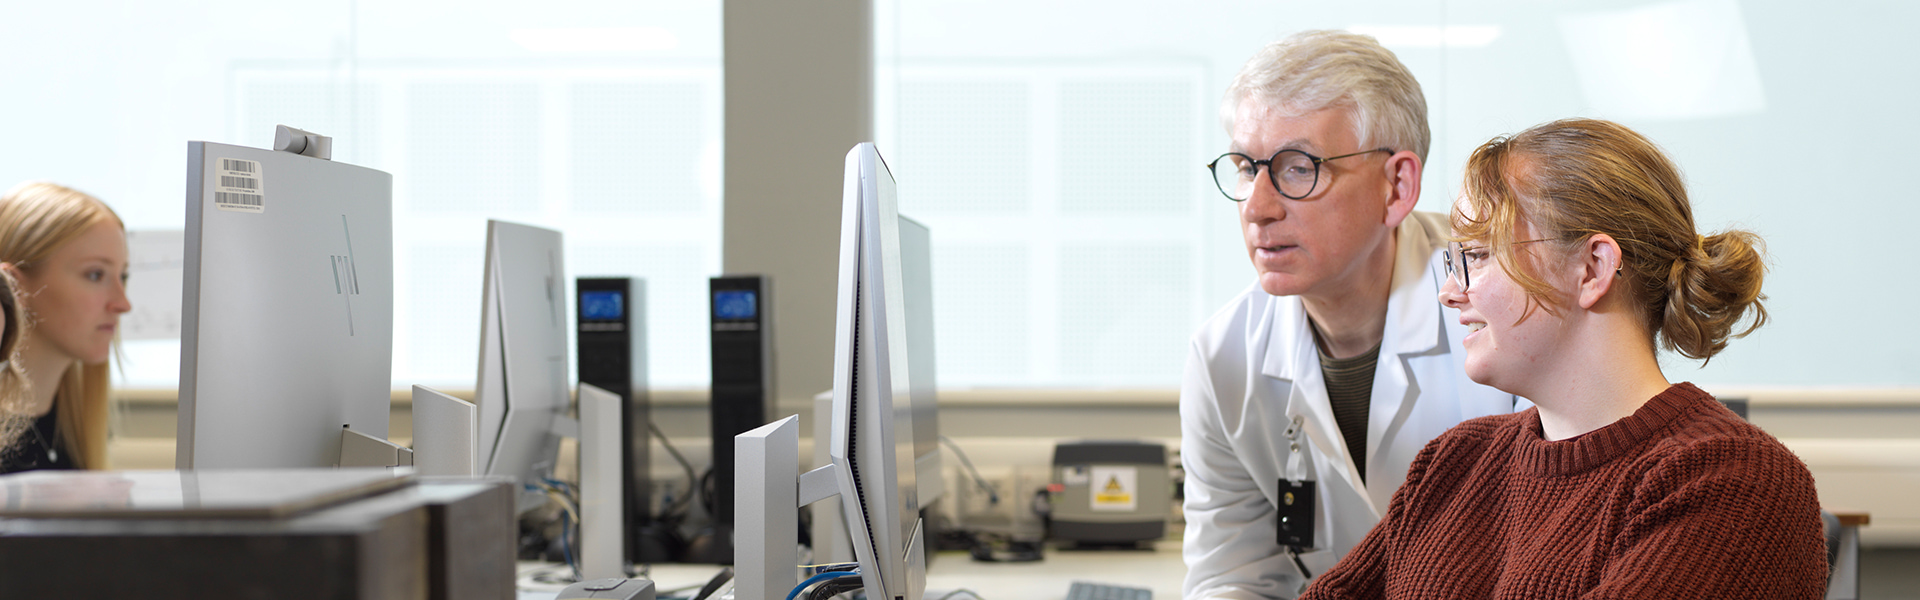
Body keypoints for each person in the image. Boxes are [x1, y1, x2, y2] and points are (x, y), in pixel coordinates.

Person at [1297, 118, 1826, 599]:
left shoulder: (1734, 483)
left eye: (1478, 255)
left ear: (1593, 269)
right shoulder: (1454, 462)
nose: (1450, 292)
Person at [1181, 30, 1524, 599]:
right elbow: (1234, 576)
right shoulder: (1224, 356)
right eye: (1246, 167)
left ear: (1397, 187)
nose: (1258, 209)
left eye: (1298, 167)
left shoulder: (1505, 309)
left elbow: (1560, 548)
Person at [0, 181, 132, 473]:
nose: (123, 304)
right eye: (96, 275)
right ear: (16, 288)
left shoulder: (74, 428)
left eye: (123, 276)